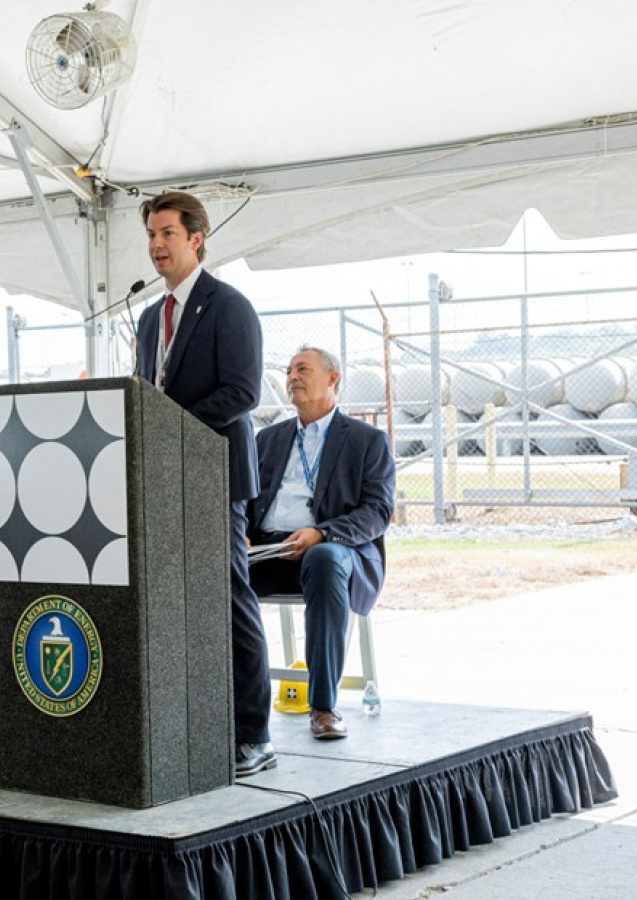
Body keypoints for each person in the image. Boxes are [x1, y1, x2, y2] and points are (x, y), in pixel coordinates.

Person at [134, 190, 275, 777]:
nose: (156, 245)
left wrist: (171, 422)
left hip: (215, 475)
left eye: (167, 234)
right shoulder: (148, 317)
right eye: (151, 236)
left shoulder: (228, 307)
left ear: (197, 239)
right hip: (165, 478)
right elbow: (146, 392)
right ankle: (191, 722)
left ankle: (254, 734)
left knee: (228, 598)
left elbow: (242, 393)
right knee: (172, 603)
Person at [248, 346, 395, 740]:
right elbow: (242, 500)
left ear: (332, 378)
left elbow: (378, 511)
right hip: (268, 549)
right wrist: (240, 534)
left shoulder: (366, 441)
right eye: (289, 370)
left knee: (326, 560)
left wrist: (322, 533)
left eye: (302, 369)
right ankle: (234, 703)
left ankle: (323, 707)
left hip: (332, 548)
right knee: (215, 567)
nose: (291, 376)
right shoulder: (268, 439)